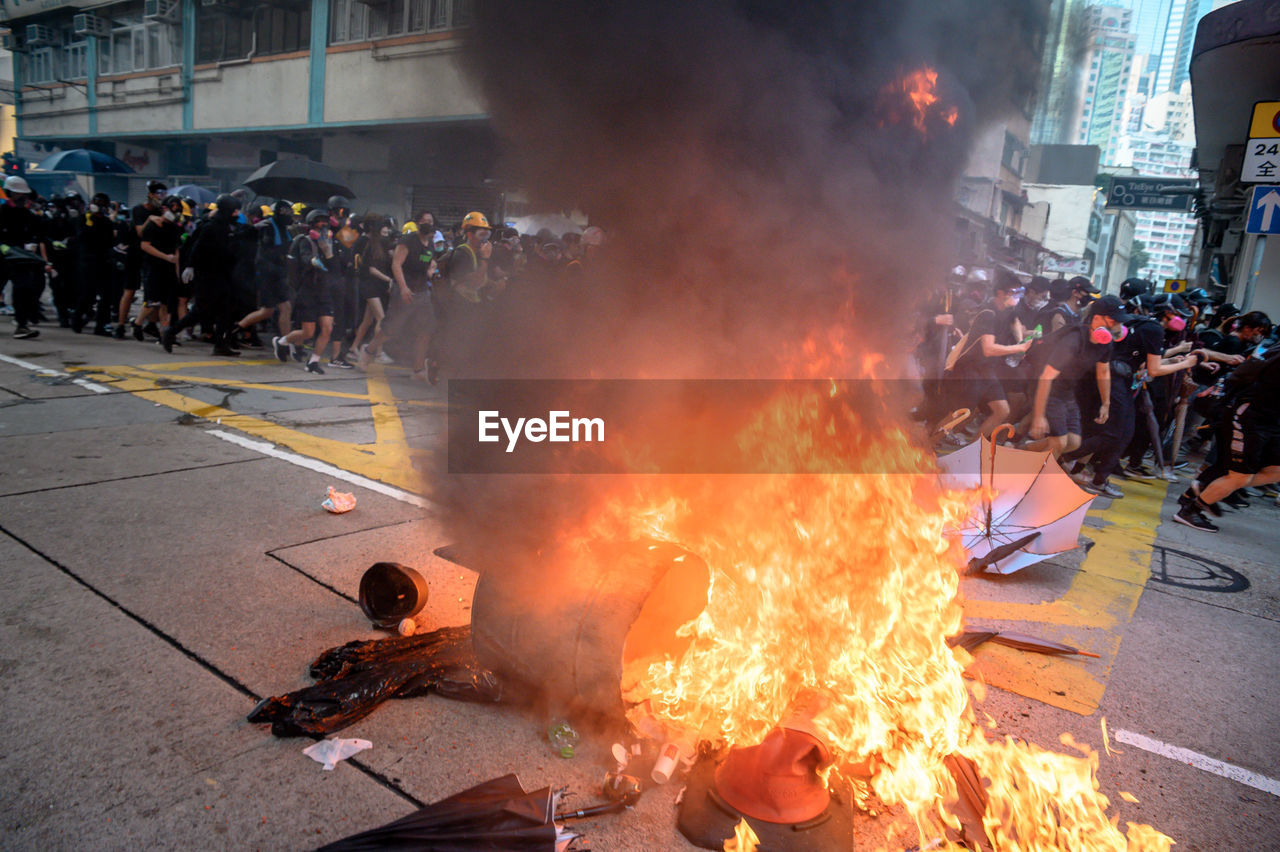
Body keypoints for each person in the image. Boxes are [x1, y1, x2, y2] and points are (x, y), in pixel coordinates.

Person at [1175, 346, 1280, 531]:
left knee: (1275, 470)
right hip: (1250, 417)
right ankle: (1191, 510)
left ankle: (1202, 490)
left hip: (1268, 420)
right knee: (1240, 475)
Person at [1028, 296, 1122, 461]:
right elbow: (1045, 378)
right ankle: (1031, 482)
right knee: (1058, 442)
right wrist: (1038, 416)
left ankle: (1019, 452)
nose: (1118, 326)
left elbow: (1103, 372)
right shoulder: (1073, 341)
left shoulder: (1105, 343)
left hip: (1066, 393)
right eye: (1114, 321)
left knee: (1073, 442)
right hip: (1047, 388)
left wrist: (1106, 403)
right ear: (1097, 318)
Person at [358, 210, 443, 380]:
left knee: (427, 329)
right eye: (424, 220)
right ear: (418, 223)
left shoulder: (431, 244)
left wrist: (432, 269)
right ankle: (368, 351)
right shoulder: (408, 241)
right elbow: (396, 265)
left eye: (430, 221)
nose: (428, 223)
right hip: (404, 290)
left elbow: (429, 262)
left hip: (422, 292)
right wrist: (403, 288)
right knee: (392, 329)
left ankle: (418, 369)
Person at [946, 273, 1033, 438]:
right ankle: (929, 443)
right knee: (960, 414)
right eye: (1014, 292)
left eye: (1019, 292)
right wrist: (1017, 348)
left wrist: (1022, 340)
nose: (1018, 296)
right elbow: (988, 349)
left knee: (1002, 410)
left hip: (987, 370)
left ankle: (974, 451)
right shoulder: (989, 314)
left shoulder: (1007, 311)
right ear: (1001, 293)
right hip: (970, 369)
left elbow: (1015, 323)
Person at [162, 194, 240, 356]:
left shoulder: (224, 225)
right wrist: (190, 266)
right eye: (234, 210)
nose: (236, 214)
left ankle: (220, 344)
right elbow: (196, 247)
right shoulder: (211, 226)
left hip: (221, 273)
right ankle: (170, 332)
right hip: (208, 275)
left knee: (225, 310)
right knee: (201, 311)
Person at [274, 208, 335, 374]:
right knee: (308, 332)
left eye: (325, 222)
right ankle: (282, 342)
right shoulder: (304, 241)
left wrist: (329, 253)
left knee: (327, 328)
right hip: (307, 291)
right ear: (311, 225)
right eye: (319, 222)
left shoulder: (330, 242)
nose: (323, 225)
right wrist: (316, 261)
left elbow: (337, 267)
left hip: (324, 291)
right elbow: (306, 260)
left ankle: (313, 362)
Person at [238, 200, 295, 352]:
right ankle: (235, 330)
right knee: (267, 311)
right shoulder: (268, 226)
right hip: (267, 275)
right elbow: (264, 252)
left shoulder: (284, 228)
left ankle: (285, 343)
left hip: (278, 274)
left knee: (285, 308)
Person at [0, 175, 52, 339]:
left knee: (23, 289)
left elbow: (39, 233)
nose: (21, 197)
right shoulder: (2, 211)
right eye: (17, 193)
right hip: (2, 257)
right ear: (9, 193)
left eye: (23, 194)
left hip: (20, 259)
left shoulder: (28, 214)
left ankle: (21, 325)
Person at [115, 180, 166, 338]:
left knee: (153, 293)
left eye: (164, 194)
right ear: (151, 195)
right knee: (129, 291)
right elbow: (140, 232)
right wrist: (150, 219)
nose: (161, 197)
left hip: (151, 256)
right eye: (159, 194)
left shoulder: (162, 211)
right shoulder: (139, 210)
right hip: (135, 254)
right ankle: (121, 325)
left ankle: (151, 324)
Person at [135, 195, 184, 337]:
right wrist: (165, 257)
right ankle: (138, 323)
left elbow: (176, 251)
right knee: (153, 302)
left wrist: (177, 272)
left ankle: (166, 334)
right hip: (154, 268)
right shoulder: (154, 225)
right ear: (164, 209)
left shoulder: (175, 228)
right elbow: (145, 246)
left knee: (166, 303)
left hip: (168, 269)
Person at [349, 216, 396, 363]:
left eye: (387, 227)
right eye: (384, 226)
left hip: (375, 286)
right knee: (381, 320)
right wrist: (388, 279)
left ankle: (353, 349)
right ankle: (378, 353)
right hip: (369, 286)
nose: (387, 229)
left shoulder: (381, 244)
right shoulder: (367, 244)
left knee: (367, 320)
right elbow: (370, 269)